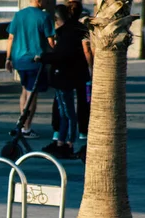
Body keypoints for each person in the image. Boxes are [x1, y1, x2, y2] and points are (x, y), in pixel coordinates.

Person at [39, 4, 88, 158]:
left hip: (65, 77)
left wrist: (43, 57)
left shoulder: (67, 34)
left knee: (68, 112)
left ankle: (68, 143)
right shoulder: (75, 30)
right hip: (67, 77)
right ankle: (61, 141)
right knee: (64, 111)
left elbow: (62, 55)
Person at [5, 0, 55, 139]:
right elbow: (51, 41)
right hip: (35, 59)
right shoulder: (44, 17)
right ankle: (26, 127)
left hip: (19, 59)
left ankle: (21, 123)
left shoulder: (19, 15)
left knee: (24, 90)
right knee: (32, 93)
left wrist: (8, 58)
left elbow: (10, 38)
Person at [51, 0, 92, 141]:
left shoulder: (62, 30)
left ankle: (57, 131)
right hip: (81, 71)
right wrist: (91, 68)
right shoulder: (82, 29)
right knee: (84, 100)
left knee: (60, 102)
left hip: (65, 71)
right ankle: (83, 130)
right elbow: (87, 50)